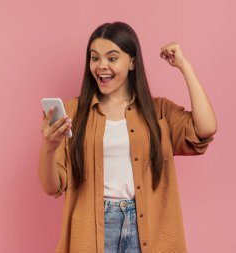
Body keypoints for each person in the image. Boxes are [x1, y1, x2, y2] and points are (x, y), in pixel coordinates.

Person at [38, 21, 217, 253]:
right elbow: (52, 186)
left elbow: (206, 128)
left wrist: (184, 66)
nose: (101, 66)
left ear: (132, 62)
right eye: (95, 58)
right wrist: (49, 147)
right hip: (93, 231)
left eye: (112, 58)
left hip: (148, 230)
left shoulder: (158, 111)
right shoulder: (74, 112)